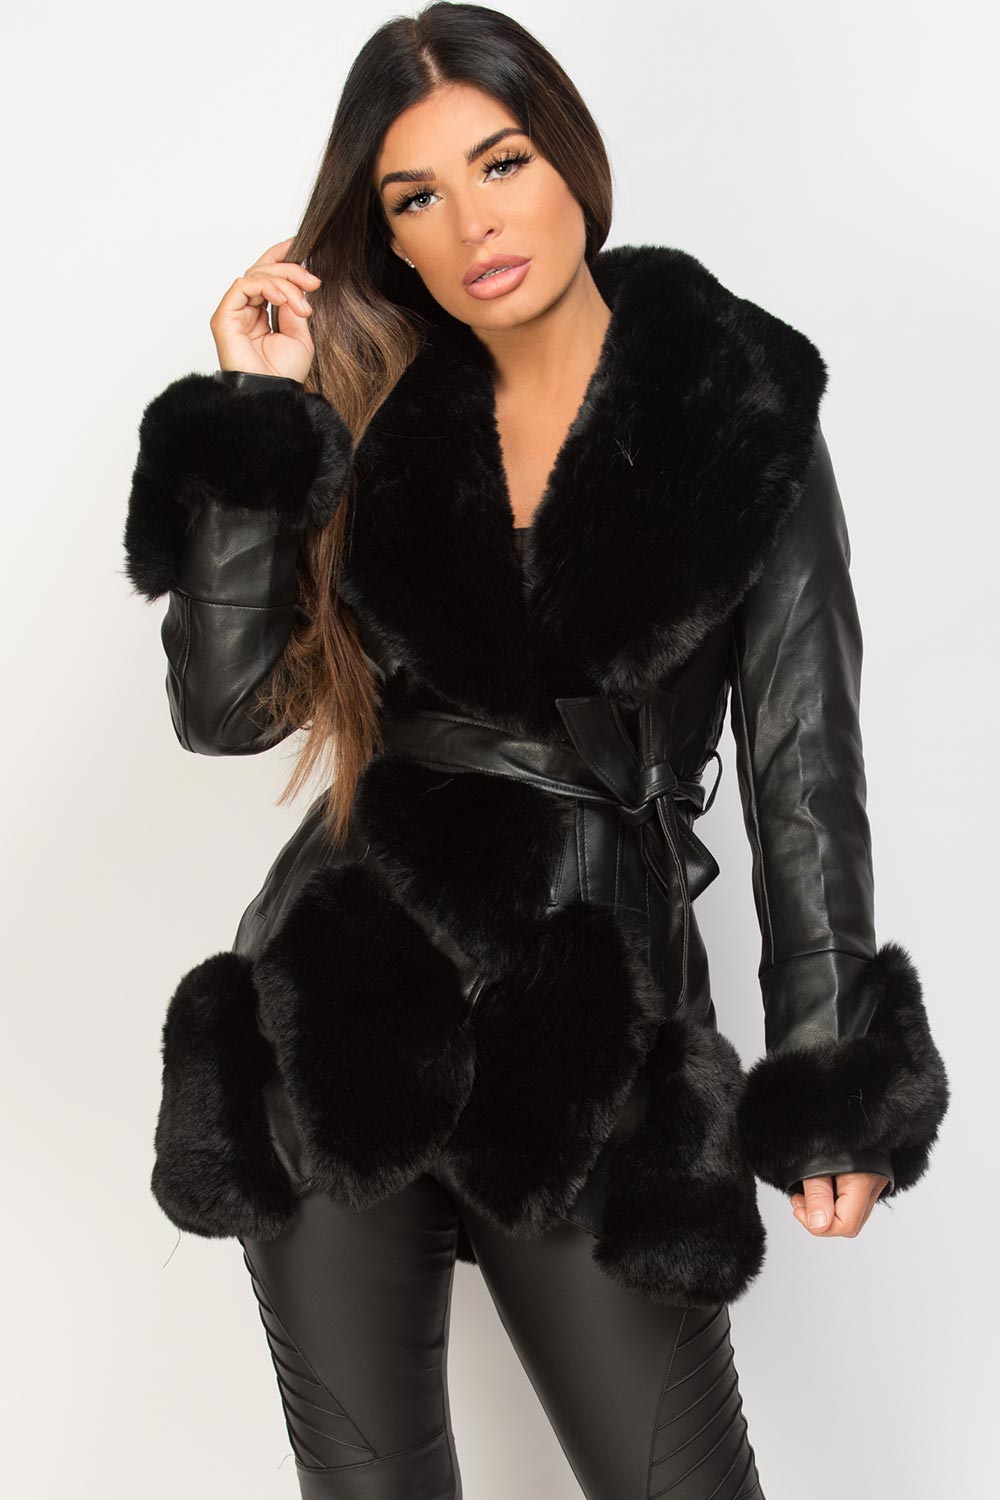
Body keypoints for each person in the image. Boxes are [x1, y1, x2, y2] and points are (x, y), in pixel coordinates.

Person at [122, 5, 950, 1497]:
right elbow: (227, 711)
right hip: (340, 1020)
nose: (472, 225)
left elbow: (804, 762)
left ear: (570, 157)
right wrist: (256, 413)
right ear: (386, 233)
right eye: (415, 197)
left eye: (500, 163)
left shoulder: (734, 398)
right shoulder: (373, 402)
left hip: (595, 1036)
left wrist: (831, 1073)